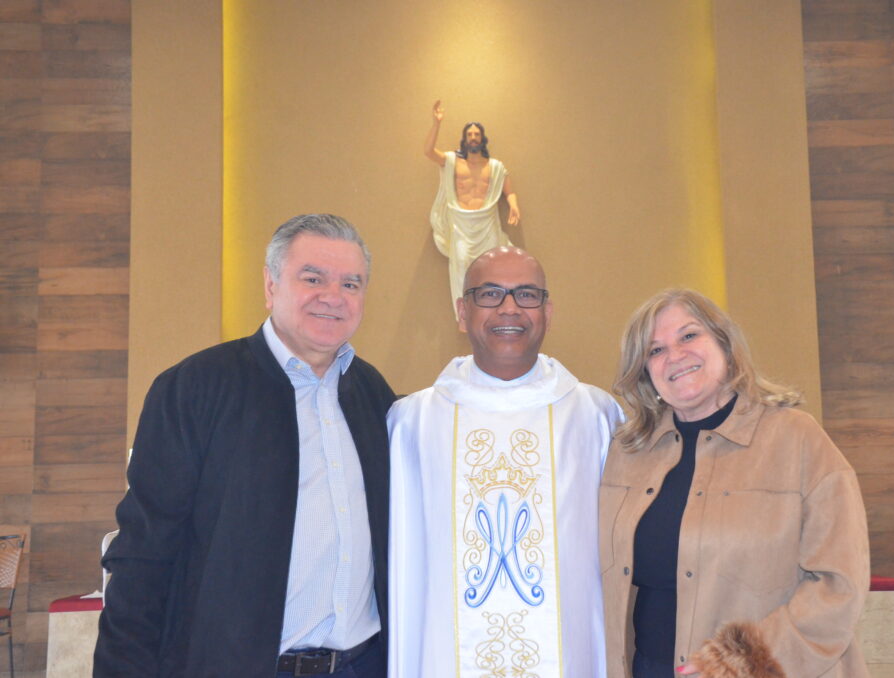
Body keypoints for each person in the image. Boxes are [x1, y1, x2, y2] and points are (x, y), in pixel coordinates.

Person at [94, 214, 395, 677]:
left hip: (363, 665)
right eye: (313, 278)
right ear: (271, 285)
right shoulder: (194, 388)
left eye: (351, 284)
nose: (333, 297)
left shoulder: (374, 396)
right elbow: (143, 557)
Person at [601, 289, 870, 678]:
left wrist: (738, 662)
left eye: (689, 336)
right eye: (655, 350)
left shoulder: (797, 439)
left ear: (724, 344)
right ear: (644, 372)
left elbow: (839, 584)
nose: (675, 355)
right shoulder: (627, 452)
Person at [388, 246, 622, 677]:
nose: (510, 308)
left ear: (547, 312)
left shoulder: (595, 415)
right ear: (462, 312)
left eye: (527, 295)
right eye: (490, 294)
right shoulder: (413, 422)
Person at [424, 100, 521, 315]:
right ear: (465, 139)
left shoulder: (494, 167)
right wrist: (436, 124)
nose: (474, 138)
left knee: (492, 269)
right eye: (470, 135)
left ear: (482, 138)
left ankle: (495, 311)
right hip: (461, 225)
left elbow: (509, 191)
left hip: (487, 225)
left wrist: (513, 205)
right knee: (461, 270)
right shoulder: (452, 162)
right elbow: (429, 151)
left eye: (477, 135)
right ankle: (466, 316)